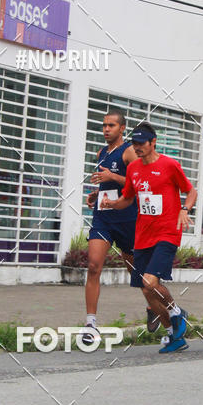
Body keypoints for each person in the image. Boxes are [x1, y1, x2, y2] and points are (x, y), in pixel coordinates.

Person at [101, 122, 197, 354]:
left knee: (150, 282)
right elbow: (128, 198)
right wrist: (112, 203)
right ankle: (173, 334)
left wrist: (185, 209)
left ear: (153, 142)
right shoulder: (133, 168)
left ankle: (175, 312)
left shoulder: (170, 165)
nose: (138, 147)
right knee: (146, 291)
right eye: (134, 143)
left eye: (142, 143)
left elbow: (190, 190)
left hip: (167, 232)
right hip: (143, 235)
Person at [83, 110, 138, 342]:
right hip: (103, 217)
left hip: (127, 219)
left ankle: (157, 307)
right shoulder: (102, 152)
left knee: (138, 276)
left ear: (122, 128)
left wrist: (113, 178)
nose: (106, 129)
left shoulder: (130, 152)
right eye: (104, 125)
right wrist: (97, 193)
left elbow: (139, 183)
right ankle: (91, 324)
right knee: (94, 266)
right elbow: (108, 182)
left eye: (112, 125)